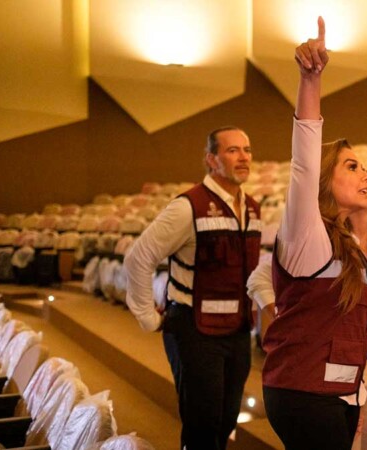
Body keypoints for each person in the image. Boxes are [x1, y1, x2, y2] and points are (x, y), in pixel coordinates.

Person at [258, 17, 367, 450]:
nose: (366, 173)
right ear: (324, 184)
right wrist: (310, 81)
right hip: (305, 394)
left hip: (339, 391)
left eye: (365, 166)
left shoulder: (357, 246)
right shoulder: (308, 237)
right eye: (351, 166)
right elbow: (303, 162)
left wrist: (356, 396)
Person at [124, 125, 261, 450]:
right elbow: (138, 258)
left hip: (238, 332)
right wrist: (148, 316)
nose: (244, 157)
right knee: (203, 424)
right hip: (194, 332)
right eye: (233, 150)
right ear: (211, 160)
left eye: (247, 149)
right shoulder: (187, 207)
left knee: (227, 420)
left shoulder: (253, 207)